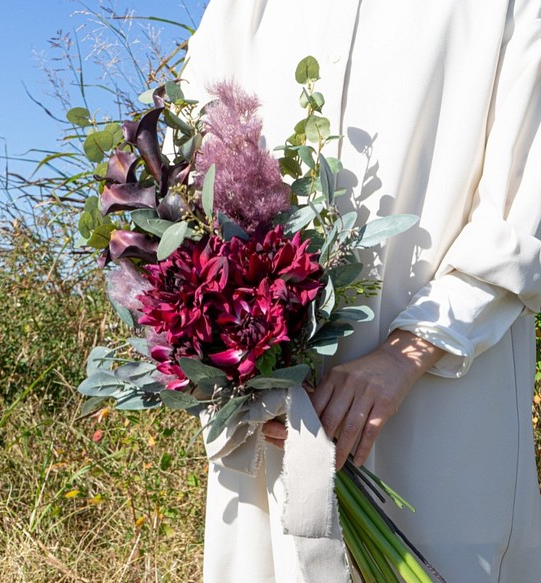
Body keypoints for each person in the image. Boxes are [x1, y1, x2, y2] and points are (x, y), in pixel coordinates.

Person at [183, 1, 541, 581]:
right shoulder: (241, 9)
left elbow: (525, 208)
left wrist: (408, 353)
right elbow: (191, 165)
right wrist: (231, 347)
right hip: (272, 411)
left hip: (447, 390)